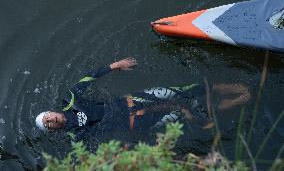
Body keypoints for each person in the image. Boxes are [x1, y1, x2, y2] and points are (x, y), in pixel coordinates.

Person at [35, 57, 251, 145]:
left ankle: (223, 88)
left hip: (132, 102)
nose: (52, 120)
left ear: (50, 111)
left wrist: (114, 66)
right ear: (53, 131)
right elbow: (99, 149)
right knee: (190, 114)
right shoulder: (75, 136)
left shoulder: (71, 101)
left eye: (48, 117)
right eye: (49, 125)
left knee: (180, 91)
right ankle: (235, 102)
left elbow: (87, 78)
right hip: (137, 123)